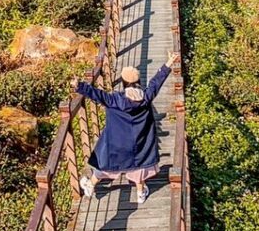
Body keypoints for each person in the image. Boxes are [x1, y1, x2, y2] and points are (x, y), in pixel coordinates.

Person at [71, 52, 180, 204]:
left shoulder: (114, 99)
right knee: (139, 166)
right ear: (138, 82)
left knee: (107, 165)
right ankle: (141, 193)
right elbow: (156, 82)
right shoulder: (146, 97)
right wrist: (169, 61)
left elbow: (96, 94)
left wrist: (79, 86)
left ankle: (90, 185)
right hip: (139, 145)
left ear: (123, 82)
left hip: (117, 144)